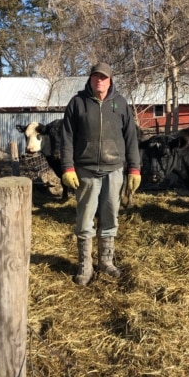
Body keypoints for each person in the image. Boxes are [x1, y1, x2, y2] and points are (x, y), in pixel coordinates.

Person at [60, 62, 141, 286]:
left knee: (110, 216)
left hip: (114, 171)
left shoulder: (121, 104)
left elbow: (131, 138)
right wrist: (67, 167)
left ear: (110, 80)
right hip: (86, 171)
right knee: (85, 219)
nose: (99, 81)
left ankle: (106, 261)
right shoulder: (77, 103)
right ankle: (85, 265)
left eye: (103, 77)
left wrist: (134, 168)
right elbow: (66, 138)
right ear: (90, 79)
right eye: (95, 77)